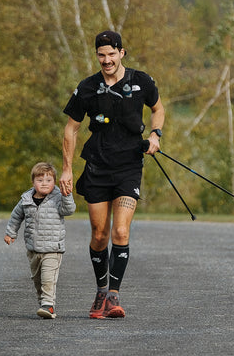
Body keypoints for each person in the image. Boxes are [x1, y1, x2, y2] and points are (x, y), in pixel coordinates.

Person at [59, 30, 165, 319]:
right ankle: (101, 290)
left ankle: (114, 295)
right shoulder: (88, 88)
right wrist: (67, 168)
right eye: (101, 55)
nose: (106, 60)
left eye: (111, 54)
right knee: (99, 235)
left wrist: (156, 134)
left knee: (120, 231)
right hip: (96, 167)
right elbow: (71, 128)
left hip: (129, 167)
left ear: (122, 53)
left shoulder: (141, 81)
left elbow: (158, 109)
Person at [4, 161, 76, 319]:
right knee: (37, 280)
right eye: (40, 180)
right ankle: (43, 304)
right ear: (33, 182)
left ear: (55, 182)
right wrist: (11, 233)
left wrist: (67, 194)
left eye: (48, 180)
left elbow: (69, 210)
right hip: (33, 249)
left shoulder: (58, 197)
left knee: (48, 278)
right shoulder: (26, 199)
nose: (44, 183)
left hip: (52, 249)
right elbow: (16, 216)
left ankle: (48, 305)